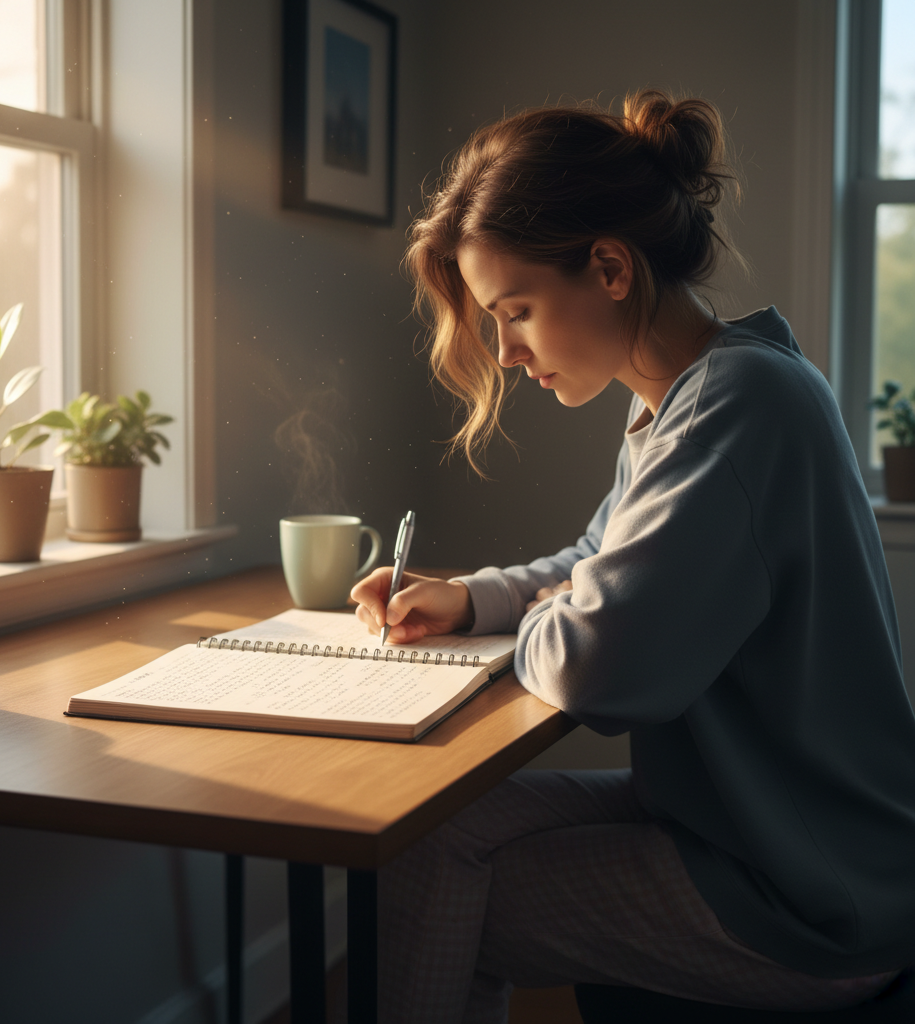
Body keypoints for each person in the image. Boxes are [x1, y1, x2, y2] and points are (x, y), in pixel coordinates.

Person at [350, 90, 915, 1022]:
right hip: (744, 818)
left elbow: (599, 669)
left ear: (610, 268)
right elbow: (597, 558)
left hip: (812, 892)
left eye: (517, 311)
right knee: (432, 837)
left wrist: (549, 618)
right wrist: (472, 599)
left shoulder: (734, 407)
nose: (507, 352)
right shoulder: (689, 393)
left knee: (441, 894)